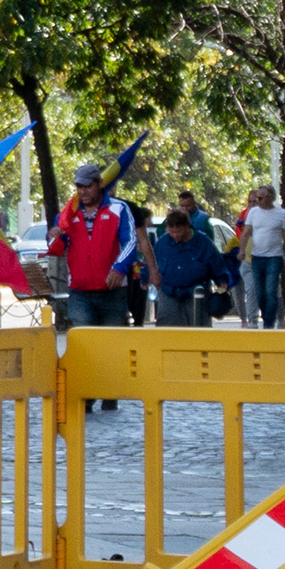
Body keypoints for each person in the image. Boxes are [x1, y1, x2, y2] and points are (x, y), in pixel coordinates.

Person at [54, 162, 140, 401]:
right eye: (79, 187)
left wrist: (119, 268)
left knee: (110, 345)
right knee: (84, 343)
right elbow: (56, 248)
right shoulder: (67, 213)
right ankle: (87, 396)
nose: (83, 191)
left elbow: (131, 243)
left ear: (100, 185)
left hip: (113, 291)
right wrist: (55, 236)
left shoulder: (119, 209)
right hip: (80, 291)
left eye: (87, 186)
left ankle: (110, 394)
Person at [150, 194, 221, 329]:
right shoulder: (163, 242)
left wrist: (222, 281)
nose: (175, 235)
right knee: (168, 330)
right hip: (169, 291)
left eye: (178, 231)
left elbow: (216, 263)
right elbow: (153, 261)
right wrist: (146, 276)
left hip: (195, 293)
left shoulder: (203, 241)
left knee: (197, 329)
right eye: (172, 231)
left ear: (187, 227)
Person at [238, 185, 285, 329]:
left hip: (274, 257)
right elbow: (246, 233)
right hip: (257, 257)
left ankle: (268, 323)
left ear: (271, 198)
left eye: (261, 198)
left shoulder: (282, 214)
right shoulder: (253, 213)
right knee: (259, 292)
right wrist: (242, 250)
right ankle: (266, 316)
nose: (258, 201)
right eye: (257, 198)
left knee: (270, 290)